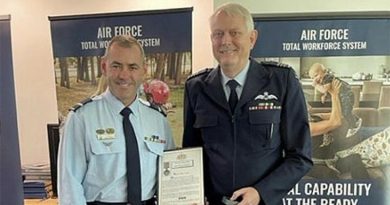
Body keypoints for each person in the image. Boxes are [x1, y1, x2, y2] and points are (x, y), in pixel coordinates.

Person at [182, 3, 312, 205]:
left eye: (234, 33)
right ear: (211, 39)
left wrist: (261, 193)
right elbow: (191, 152)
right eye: (218, 34)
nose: (225, 41)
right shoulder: (196, 87)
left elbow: (300, 157)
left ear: (252, 39)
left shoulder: (282, 81)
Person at [58, 35, 175, 205]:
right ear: (104, 67)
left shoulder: (158, 119)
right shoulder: (81, 118)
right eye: (116, 66)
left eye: (132, 67)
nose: (124, 75)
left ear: (144, 70)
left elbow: (170, 176)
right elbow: (69, 185)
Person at [309, 63, 361, 140]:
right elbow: (329, 90)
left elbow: (325, 89)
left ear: (324, 71)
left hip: (346, 96)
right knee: (344, 112)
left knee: (345, 112)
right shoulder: (324, 79)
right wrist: (325, 95)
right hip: (343, 96)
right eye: (313, 78)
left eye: (316, 75)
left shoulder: (327, 77)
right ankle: (355, 119)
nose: (315, 79)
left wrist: (316, 85)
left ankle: (353, 126)